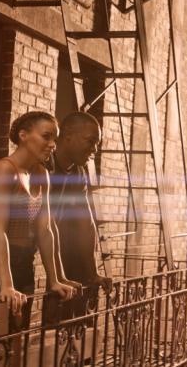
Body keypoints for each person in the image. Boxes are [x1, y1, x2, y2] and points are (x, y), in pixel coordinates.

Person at [0, 111, 80, 322]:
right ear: (23, 135)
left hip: (24, 263)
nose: (52, 144)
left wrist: (55, 279)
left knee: (17, 336)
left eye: (54, 139)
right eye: (46, 136)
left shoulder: (41, 173)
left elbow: (46, 229)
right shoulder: (4, 170)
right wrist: (7, 285)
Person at [49, 112, 111, 297]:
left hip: (43, 248)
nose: (95, 149)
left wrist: (93, 274)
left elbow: (86, 224)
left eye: (97, 144)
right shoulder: (43, 166)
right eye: (90, 141)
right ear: (67, 135)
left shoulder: (78, 172)